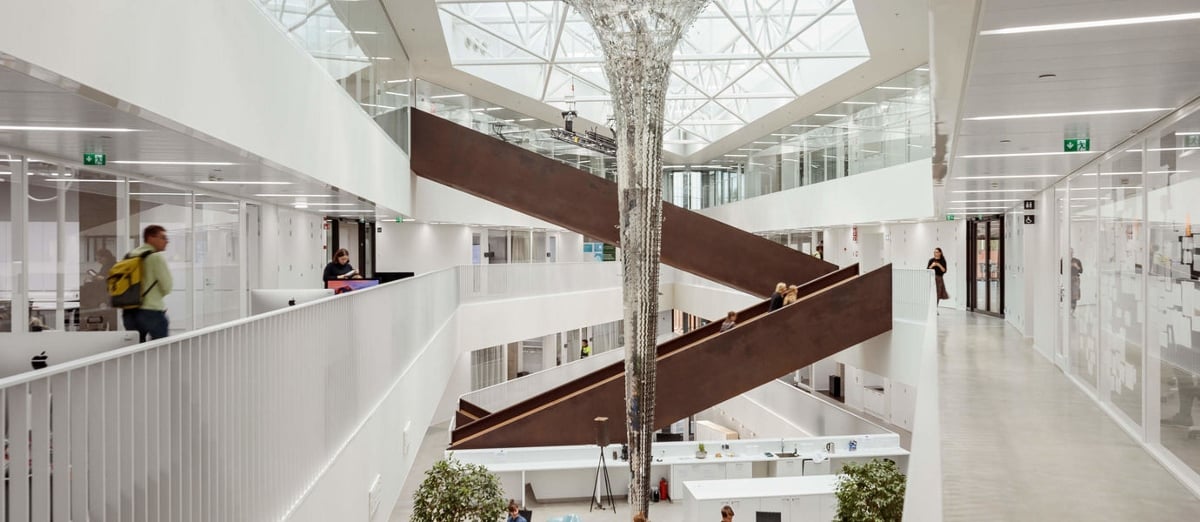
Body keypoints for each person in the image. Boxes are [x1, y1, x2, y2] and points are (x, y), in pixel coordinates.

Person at [122, 225, 174, 342]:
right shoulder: (155, 257)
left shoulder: (129, 255)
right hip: (152, 311)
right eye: (163, 237)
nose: (166, 241)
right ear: (151, 238)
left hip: (129, 312)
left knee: (135, 351)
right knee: (160, 349)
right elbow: (167, 287)